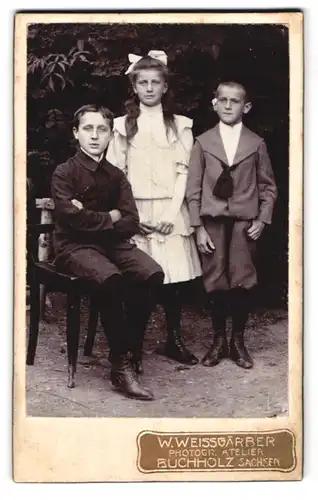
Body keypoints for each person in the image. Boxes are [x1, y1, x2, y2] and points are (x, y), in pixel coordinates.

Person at [51, 104, 164, 401]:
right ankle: (120, 364)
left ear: (110, 136)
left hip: (111, 245)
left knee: (152, 274)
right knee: (110, 278)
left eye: (102, 129)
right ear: (76, 133)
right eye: (87, 128)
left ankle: (132, 348)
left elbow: (131, 221)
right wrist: (110, 217)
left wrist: (93, 216)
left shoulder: (116, 175)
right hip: (72, 247)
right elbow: (71, 220)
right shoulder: (64, 173)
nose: (94, 136)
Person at [106, 50, 202, 371]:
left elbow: (183, 173)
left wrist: (170, 215)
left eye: (155, 82)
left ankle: (173, 339)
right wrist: (136, 219)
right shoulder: (121, 127)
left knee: (173, 281)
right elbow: (114, 176)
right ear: (134, 87)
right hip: (136, 215)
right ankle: (133, 347)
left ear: (164, 87)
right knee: (140, 281)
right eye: (142, 82)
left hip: (169, 212)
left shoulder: (179, 125)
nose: (149, 88)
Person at [186, 81, 277, 369]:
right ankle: (218, 340)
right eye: (222, 100)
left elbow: (268, 188)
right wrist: (197, 226)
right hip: (212, 223)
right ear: (214, 103)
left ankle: (238, 341)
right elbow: (193, 189)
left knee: (241, 281)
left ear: (245, 107)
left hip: (243, 224)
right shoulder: (202, 142)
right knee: (214, 281)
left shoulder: (256, 144)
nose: (228, 105)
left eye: (234, 101)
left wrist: (262, 219)